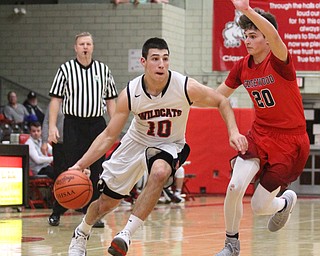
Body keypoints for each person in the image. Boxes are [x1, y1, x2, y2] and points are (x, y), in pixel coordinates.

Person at [67, 37, 248, 256]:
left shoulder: (184, 86)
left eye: (165, 59)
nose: (161, 64)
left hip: (169, 144)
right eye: (155, 59)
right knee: (105, 203)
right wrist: (80, 164)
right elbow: (108, 135)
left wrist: (234, 131)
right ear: (143, 61)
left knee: (160, 171)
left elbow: (222, 101)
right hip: (136, 143)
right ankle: (81, 234)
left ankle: (125, 234)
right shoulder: (130, 93)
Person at [214, 1, 310, 256]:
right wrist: (184, 95)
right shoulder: (242, 66)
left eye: (253, 35)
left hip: (291, 142)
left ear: (266, 38)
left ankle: (284, 202)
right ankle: (231, 244)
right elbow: (217, 96)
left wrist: (246, 10)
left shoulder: (279, 60)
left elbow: (276, 36)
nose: (247, 40)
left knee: (259, 206)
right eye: (245, 35)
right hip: (260, 134)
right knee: (235, 186)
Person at [48, 32, 118, 228]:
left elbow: (111, 101)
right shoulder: (65, 69)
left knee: (96, 171)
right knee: (69, 169)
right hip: (73, 124)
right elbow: (56, 100)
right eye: (81, 44)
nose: (85, 47)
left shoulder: (103, 70)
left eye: (88, 43)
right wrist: (52, 126)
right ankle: (57, 210)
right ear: (75, 48)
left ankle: (92, 215)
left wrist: (115, 125)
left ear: (93, 47)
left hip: (97, 125)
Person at [41, 103, 68, 226]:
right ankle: (56, 212)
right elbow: (46, 122)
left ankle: (89, 211)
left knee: (83, 176)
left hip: (78, 144)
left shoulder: (79, 100)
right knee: (60, 179)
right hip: (60, 145)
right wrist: (44, 141)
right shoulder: (55, 103)